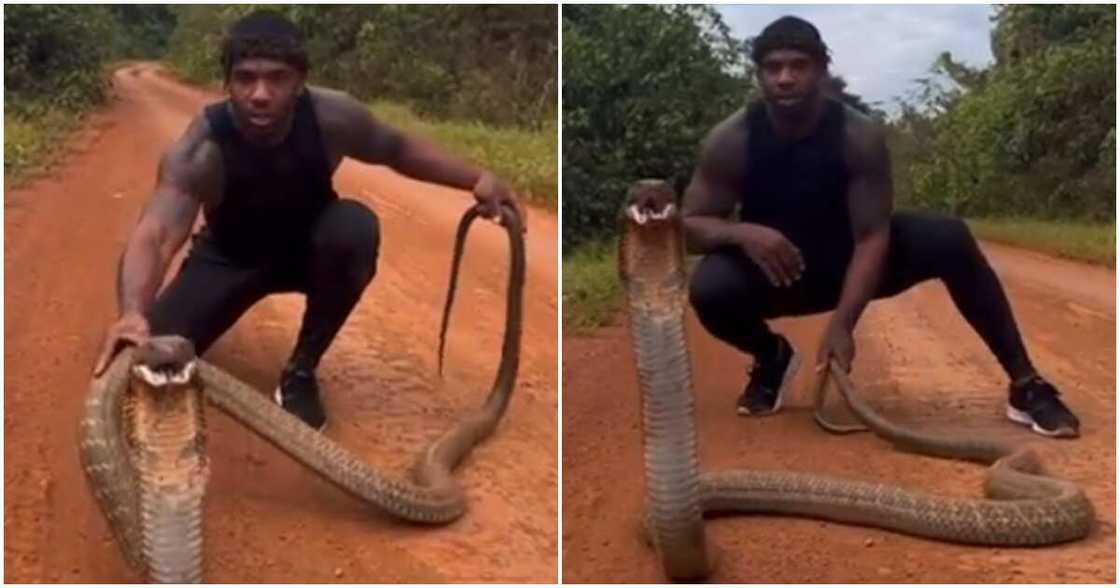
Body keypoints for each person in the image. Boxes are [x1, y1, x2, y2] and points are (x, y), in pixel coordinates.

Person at [92, 11, 523, 431]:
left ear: (299, 82)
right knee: (150, 358)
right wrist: (132, 312)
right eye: (245, 78)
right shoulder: (201, 148)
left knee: (354, 227)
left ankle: (300, 370)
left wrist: (478, 178)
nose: (260, 93)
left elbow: (396, 149)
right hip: (229, 258)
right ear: (227, 83)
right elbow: (157, 233)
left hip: (308, 249)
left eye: (276, 78)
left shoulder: (332, 117)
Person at [682, 16, 1079, 438]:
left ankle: (1025, 384)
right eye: (773, 67)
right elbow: (689, 228)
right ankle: (771, 358)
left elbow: (872, 236)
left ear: (821, 69)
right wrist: (744, 233)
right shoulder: (730, 140)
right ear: (758, 73)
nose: (784, 78)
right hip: (779, 270)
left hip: (849, 260)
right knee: (709, 287)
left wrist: (843, 324)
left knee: (949, 237)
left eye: (798, 65)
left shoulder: (858, 135)